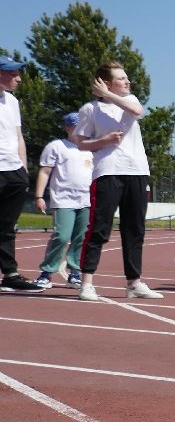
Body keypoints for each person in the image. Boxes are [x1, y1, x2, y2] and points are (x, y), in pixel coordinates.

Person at [72, 62, 161, 301]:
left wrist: (109, 95)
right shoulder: (90, 110)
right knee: (100, 227)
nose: (127, 81)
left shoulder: (130, 100)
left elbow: (136, 112)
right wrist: (105, 141)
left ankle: (134, 283)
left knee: (135, 229)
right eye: (121, 78)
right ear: (106, 81)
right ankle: (87, 282)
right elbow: (80, 142)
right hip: (108, 171)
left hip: (137, 171)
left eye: (126, 77)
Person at [33, 112, 94, 289]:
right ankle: (46, 273)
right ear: (68, 128)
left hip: (86, 200)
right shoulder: (57, 146)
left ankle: (74, 272)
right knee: (62, 236)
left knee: (80, 238)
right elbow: (45, 172)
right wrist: (39, 196)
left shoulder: (90, 149)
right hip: (63, 200)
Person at [0, 57, 41, 293]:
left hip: (13, 171)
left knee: (7, 226)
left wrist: (23, 169)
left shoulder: (12, 102)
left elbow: (18, 137)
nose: (19, 78)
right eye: (13, 73)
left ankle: (10, 275)